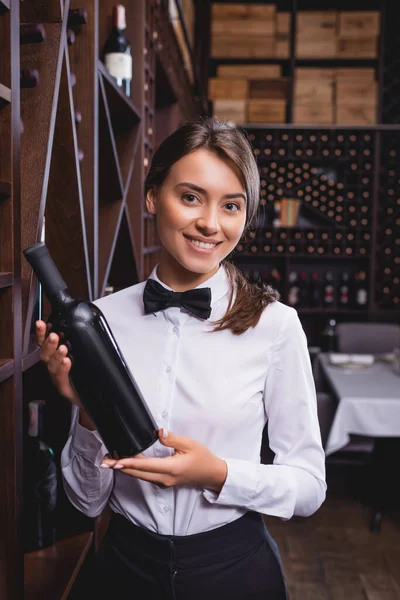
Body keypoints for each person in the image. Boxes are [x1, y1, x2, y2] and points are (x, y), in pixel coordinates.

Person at [35, 117, 327, 599]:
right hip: (123, 571)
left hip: (235, 571)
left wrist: (217, 474)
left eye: (230, 205)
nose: (210, 223)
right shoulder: (101, 320)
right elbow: (86, 502)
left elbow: (309, 487)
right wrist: (87, 409)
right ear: (152, 196)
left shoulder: (275, 326)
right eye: (190, 197)